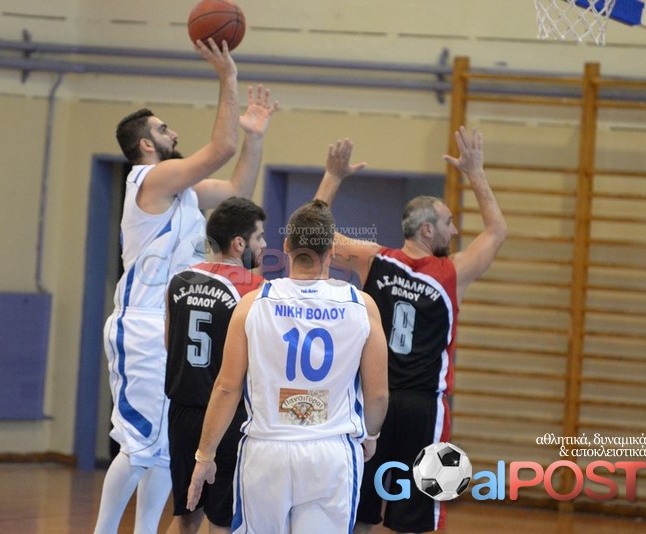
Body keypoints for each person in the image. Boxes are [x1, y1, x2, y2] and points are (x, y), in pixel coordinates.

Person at [94, 37, 279, 534]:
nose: (172, 132)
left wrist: (254, 137)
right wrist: (228, 78)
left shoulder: (184, 194)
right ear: (146, 145)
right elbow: (220, 149)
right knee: (138, 445)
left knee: (161, 449)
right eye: (162, 129)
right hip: (141, 325)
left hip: (170, 326)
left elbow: (237, 191)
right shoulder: (146, 180)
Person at [315, 126, 507, 533]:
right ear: (427, 230)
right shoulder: (452, 273)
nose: (455, 231)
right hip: (422, 409)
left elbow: (313, 232)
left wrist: (332, 177)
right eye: (449, 223)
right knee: (414, 519)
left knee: (360, 512)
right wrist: (475, 173)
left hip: (373, 403)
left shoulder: (373, 260)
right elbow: (497, 232)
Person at [187, 199, 389, 533]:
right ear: (331, 251)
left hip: (266, 451)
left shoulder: (253, 304)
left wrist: (204, 456)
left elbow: (226, 388)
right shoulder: (361, 305)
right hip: (331, 452)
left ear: (285, 247)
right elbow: (378, 394)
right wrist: (371, 434)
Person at [164, 196, 267, 534]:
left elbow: (169, 344)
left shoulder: (178, 281)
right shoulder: (256, 290)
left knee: (186, 515)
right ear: (239, 243)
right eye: (259, 237)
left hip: (181, 413)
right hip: (226, 414)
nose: (265, 245)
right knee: (222, 520)